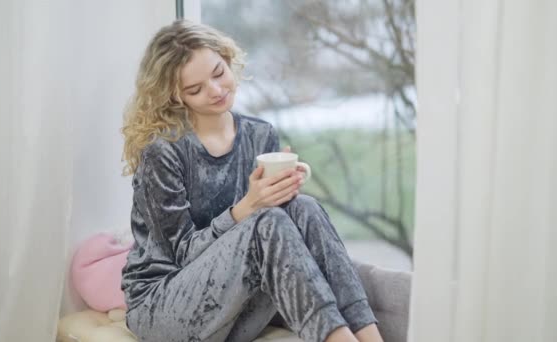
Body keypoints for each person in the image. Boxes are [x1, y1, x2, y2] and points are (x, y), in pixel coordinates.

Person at [120, 19, 384, 342]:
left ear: (228, 59)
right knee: (266, 222)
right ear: (175, 96)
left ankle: (370, 336)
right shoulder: (163, 153)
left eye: (218, 73)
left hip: (235, 303)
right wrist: (247, 208)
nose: (216, 91)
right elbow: (183, 255)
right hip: (163, 305)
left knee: (305, 208)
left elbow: (279, 245)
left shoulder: (261, 135)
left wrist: (284, 192)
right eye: (195, 89)